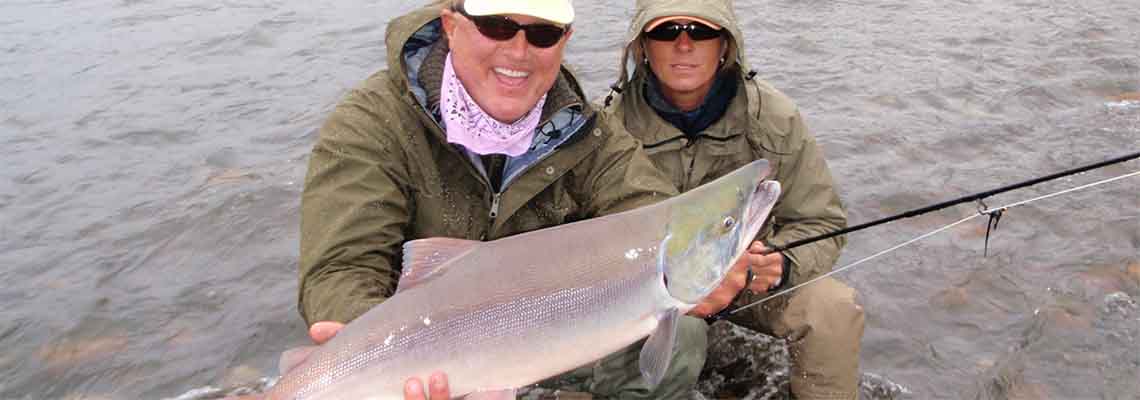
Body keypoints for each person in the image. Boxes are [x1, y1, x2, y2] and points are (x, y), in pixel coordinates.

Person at [297, 0, 708, 398]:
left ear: (564, 41)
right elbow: (342, 267)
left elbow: (654, 218)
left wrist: (708, 259)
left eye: (542, 34)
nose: (518, 51)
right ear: (451, 27)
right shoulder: (372, 122)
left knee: (681, 340)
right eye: (497, 26)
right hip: (420, 354)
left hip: (545, 339)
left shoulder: (590, 134)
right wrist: (369, 349)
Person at [601, 0, 866, 398]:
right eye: (667, 32)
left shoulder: (776, 118)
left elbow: (823, 222)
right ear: (643, 46)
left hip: (747, 278)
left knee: (832, 309)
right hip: (647, 289)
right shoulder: (607, 126)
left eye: (702, 31)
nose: (685, 44)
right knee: (662, 338)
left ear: (725, 44)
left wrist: (780, 262)